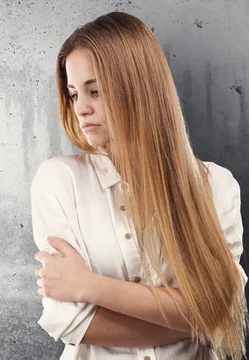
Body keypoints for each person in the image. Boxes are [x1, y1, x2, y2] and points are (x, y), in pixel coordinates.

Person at [30, 11, 248, 360]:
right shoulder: (59, 181)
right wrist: (191, 314)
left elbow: (221, 307)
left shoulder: (216, 185)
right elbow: (70, 320)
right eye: (73, 94)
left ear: (139, 87)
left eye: (95, 91)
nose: (81, 109)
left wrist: (90, 286)